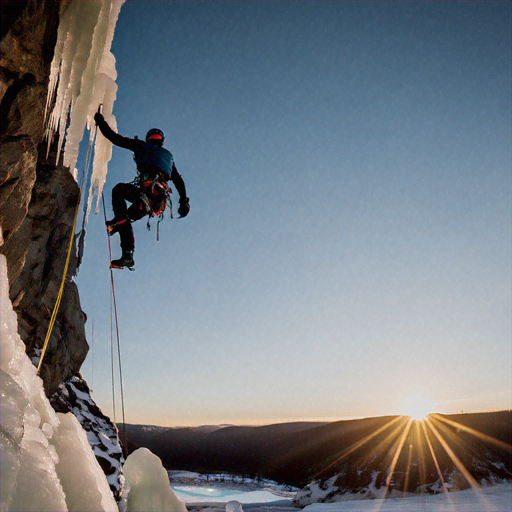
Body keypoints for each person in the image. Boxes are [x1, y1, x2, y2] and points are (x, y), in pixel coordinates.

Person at [94, 112, 190, 269]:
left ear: (148, 139)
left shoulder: (141, 146)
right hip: (158, 202)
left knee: (119, 191)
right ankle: (126, 251)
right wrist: (184, 201)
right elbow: (178, 181)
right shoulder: (168, 157)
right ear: (162, 142)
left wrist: (100, 122)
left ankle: (126, 245)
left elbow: (115, 138)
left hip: (146, 195)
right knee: (129, 215)